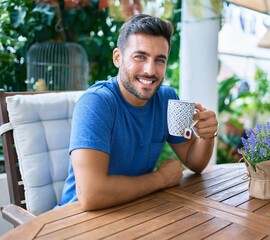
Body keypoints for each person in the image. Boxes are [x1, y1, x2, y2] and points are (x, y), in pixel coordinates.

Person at [59, 14, 218, 211]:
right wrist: (160, 178)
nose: (150, 70)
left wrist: (207, 135)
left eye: (160, 60)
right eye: (140, 57)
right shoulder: (96, 102)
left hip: (136, 210)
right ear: (118, 58)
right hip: (76, 219)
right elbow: (92, 195)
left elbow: (195, 163)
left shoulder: (167, 99)